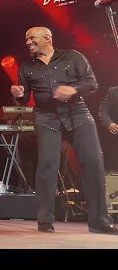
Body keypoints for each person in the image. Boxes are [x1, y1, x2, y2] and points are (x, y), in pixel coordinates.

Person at [10, 26, 117, 234]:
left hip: (78, 113)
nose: (28, 42)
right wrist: (18, 93)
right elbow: (24, 97)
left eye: (31, 38)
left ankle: (99, 221)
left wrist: (74, 89)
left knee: (93, 162)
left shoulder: (73, 57)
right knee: (48, 164)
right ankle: (45, 220)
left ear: (47, 38)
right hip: (46, 116)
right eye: (26, 39)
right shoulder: (26, 67)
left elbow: (91, 83)